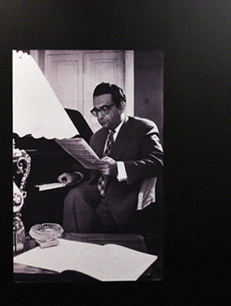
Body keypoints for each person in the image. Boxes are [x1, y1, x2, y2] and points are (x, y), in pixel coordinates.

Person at [58, 82, 163, 233]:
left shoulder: (143, 128)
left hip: (123, 195)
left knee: (99, 214)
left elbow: (158, 163)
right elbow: (92, 167)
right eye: (96, 111)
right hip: (97, 191)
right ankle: (73, 244)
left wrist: (118, 168)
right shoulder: (97, 136)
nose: (100, 116)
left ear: (121, 106)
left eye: (105, 109)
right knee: (74, 195)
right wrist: (75, 175)